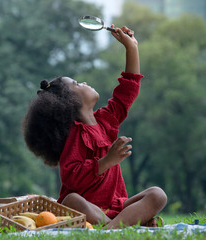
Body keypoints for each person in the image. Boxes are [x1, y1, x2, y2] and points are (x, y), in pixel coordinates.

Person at [22, 25, 167, 229]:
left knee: (157, 195)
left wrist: (131, 48)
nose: (84, 82)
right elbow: (72, 178)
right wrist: (107, 161)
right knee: (71, 199)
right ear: (68, 102)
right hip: (87, 209)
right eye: (77, 84)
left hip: (116, 207)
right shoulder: (74, 135)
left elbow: (128, 90)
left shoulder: (106, 122)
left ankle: (112, 227)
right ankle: (119, 227)